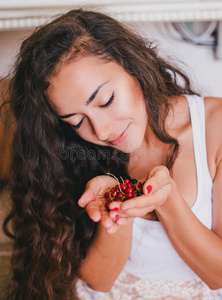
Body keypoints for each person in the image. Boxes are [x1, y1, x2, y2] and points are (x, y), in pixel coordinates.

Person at [1, 8, 222, 300]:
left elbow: (218, 275)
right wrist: (119, 210)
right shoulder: (78, 153)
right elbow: (99, 282)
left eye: (105, 101)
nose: (102, 131)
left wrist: (167, 200)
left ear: (134, 66)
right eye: (77, 121)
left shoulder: (214, 125)